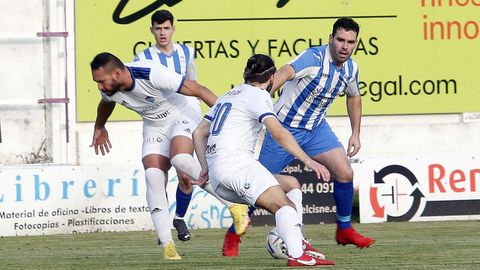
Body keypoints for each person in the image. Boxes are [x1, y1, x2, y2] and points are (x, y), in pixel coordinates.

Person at [193, 54, 335, 266]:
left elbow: (198, 133)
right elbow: (278, 133)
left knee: (291, 185)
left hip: (218, 176)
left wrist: (205, 168)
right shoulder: (259, 96)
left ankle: (298, 242)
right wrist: (309, 160)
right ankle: (296, 255)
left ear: (245, 74)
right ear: (272, 77)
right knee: (284, 206)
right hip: (237, 166)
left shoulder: (227, 96)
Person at [89, 52, 234, 260]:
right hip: (154, 125)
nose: (99, 87)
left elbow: (198, 89)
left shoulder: (150, 72)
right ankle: (168, 246)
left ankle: (234, 206)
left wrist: (226, 123)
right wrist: (99, 126)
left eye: (101, 81)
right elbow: (106, 104)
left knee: (181, 159)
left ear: (117, 73)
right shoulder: (109, 90)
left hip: (183, 112)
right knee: (153, 176)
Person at [258, 17, 375, 248]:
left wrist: (355, 133)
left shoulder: (352, 67)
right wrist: (265, 93)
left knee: (345, 172)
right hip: (284, 129)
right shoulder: (314, 57)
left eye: (350, 42)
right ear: (331, 38)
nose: (345, 46)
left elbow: (354, 96)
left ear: (356, 43)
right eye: (340, 40)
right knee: (257, 184)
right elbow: (286, 71)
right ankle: (234, 235)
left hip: (315, 129)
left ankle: (344, 229)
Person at [134, 9, 249, 243]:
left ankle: (180, 218)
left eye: (166, 28)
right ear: (152, 31)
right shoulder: (143, 57)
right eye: (158, 29)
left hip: (184, 112)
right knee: (158, 174)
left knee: (185, 173)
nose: (163, 33)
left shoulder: (186, 52)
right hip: (159, 118)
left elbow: (193, 83)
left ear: (173, 29)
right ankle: (164, 228)